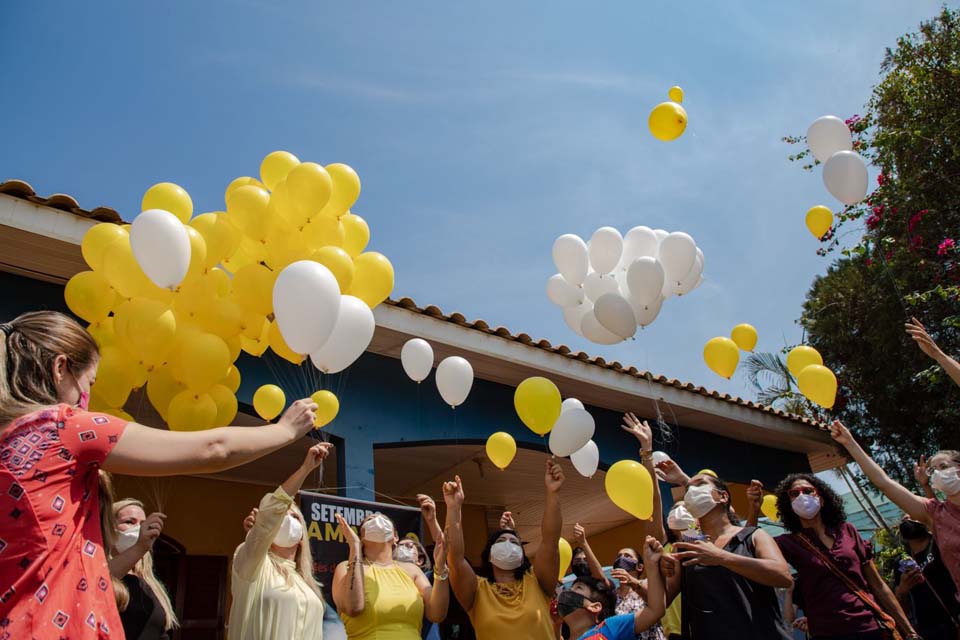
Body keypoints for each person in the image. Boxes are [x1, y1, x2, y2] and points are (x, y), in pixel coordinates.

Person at [0, 310, 318, 639]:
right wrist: (284, 431)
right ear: (60, 368)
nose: (88, 397)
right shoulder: (61, 426)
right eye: (89, 382)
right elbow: (213, 449)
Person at [747, 473, 920, 640]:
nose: (802, 496)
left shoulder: (848, 531)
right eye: (794, 494)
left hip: (870, 627)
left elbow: (878, 585)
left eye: (808, 491)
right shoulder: (787, 543)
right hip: (826, 632)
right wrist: (754, 510)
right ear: (789, 504)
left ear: (821, 499)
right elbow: (749, 546)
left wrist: (909, 631)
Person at [829, 418, 960, 594]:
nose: (938, 473)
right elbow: (884, 482)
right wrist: (850, 443)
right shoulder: (935, 513)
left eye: (943, 466)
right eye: (933, 471)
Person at [662, 470, 794, 639]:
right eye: (689, 489)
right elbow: (661, 601)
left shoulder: (753, 536)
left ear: (723, 496)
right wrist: (654, 567)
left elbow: (783, 576)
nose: (692, 492)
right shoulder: (686, 549)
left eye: (700, 485)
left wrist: (721, 557)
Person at [443, 459, 565, 640]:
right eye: (501, 540)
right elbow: (456, 559)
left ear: (523, 557)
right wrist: (453, 508)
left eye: (515, 542)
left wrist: (553, 493)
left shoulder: (537, 583)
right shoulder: (477, 591)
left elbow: (550, 541)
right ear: (489, 553)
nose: (508, 544)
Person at [229, 443, 332, 639]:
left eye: (294, 517)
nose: (286, 519)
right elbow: (272, 510)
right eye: (282, 515)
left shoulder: (305, 581)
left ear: (302, 534)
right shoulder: (253, 565)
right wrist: (305, 469)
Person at [333, 508, 449, 639]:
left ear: (395, 537)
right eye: (369, 520)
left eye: (384, 519)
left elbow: (437, 614)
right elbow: (353, 608)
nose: (377, 518)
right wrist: (354, 547)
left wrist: (440, 566)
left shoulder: (411, 570)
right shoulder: (345, 567)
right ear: (361, 537)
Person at [558, 536, 667, 640]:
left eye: (578, 588)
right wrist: (556, 625)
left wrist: (652, 565)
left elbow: (656, 609)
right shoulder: (614, 594)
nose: (569, 593)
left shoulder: (609, 627)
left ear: (595, 607)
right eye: (619, 556)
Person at [110, 497, 178, 639]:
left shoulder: (149, 583)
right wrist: (140, 547)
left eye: (143, 523)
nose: (140, 529)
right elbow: (101, 580)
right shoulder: (100, 572)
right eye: (129, 522)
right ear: (109, 528)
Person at [894, 516, 960, 640]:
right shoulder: (901, 562)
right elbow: (899, 604)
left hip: (955, 617)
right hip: (929, 629)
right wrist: (903, 588)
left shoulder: (941, 544)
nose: (907, 518)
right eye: (904, 518)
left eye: (912, 515)